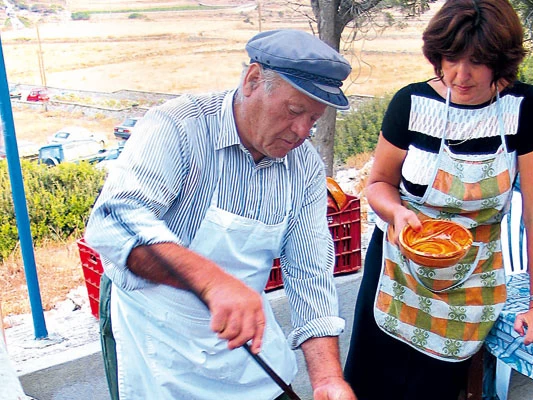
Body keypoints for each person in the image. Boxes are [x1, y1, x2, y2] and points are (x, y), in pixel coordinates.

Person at [85, 29, 357, 400]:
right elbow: (114, 222)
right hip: (158, 344)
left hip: (243, 343)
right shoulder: (178, 126)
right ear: (253, 80)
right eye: (295, 111)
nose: (301, 131)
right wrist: (213, 282)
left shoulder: (303, 167)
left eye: (314, 119)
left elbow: (310, 273)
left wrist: (327, 379)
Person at [343, 1, 533, 399]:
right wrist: (396, 212)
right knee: (370, 384)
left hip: (469, 277)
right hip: (396, 269)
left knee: (435, 390)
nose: (461, 74)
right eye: (451, 58)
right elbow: (378, 184)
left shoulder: (524, 109)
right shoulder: (410, 103)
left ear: (501, 61)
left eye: (477, 62)